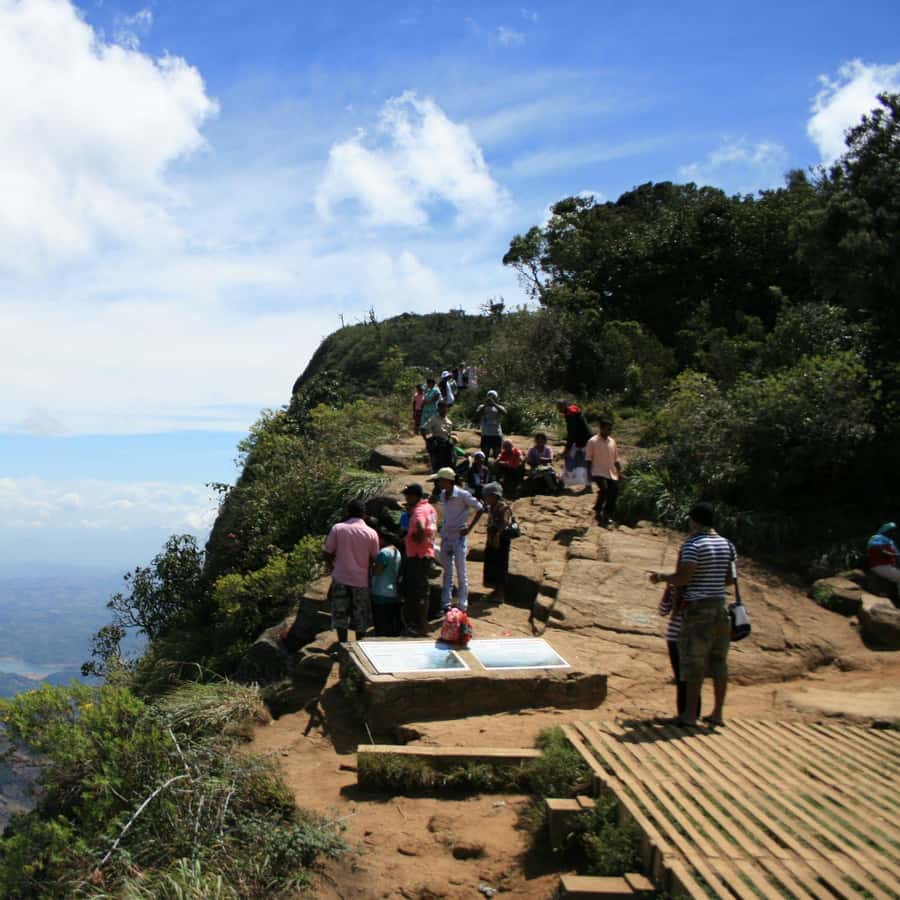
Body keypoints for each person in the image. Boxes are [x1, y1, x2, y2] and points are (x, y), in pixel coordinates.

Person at [649, 502, 735, 727]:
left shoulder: (693, 544)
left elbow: (684, 578)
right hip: (719, 607)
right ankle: (717, 714)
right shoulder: (727, 544)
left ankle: (689, 716)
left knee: (692, 663)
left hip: (697, 610)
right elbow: (730, 578)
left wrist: (662, 577)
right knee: (718, 662)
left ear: (694, 520)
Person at [323, 499, 380, 644]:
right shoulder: (371, 533)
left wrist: (331, 566)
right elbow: (375, 558)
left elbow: (328, 551)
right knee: (360, 615)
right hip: (361, 581)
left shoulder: (338, 528)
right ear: (364, 514)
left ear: (348, 512)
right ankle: (359, 646)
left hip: (341, 577)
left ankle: (343, 644)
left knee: (340, 613)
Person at [430, 467, 484, 613]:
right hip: (446, 537)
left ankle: (462, 604)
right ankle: (445, 604)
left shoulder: (462, 494)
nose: (438, 483)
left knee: (461, 571)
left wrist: (469, 528)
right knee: (448, 571)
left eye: (439, 480)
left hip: (459, 538)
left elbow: (480, 508)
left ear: (447, 481)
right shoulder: (443, 495)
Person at [657, 586, 700, 721]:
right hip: (694, 636)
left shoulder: (677, 589)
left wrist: (668, 590)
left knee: (681, 679)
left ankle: (684, 713)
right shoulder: (700, 590)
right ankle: (693, 712)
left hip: (676, 637)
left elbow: (663, 610)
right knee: (691, 677)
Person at [401, 483, 438, 634]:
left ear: (415, 496)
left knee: (417, 591)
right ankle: (421, 624)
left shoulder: (418, 512)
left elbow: (421, 527)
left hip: (418, 555)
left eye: (408, 495)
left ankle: (421, 625)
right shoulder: (430, 507)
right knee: (422, 590)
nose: (406, 498)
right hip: (426, 552)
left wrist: (416, 538)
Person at [585, 418, 621, 525]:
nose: (609, 431)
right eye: (607, 429)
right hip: (597, 471)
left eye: (610, 429)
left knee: (614, 491)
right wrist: (588, 474)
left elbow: (616, 459)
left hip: (610, 471)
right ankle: (598, 509)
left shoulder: (612, 442)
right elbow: (588, 459)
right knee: (604, 489)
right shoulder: (592, 441)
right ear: (601, 429)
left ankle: (606, 513)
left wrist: (619, 471)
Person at [482, 482, 513, 602]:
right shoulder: (493, 506)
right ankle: (495, 591)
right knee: (492, 564)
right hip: (493, 538)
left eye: (487, 496)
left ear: (494, 496)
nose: (486, 499)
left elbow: (504, 523)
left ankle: (500, 595)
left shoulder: (502, 506)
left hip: (501, 540)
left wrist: (497, 536)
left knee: (500, 566)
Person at [371, 527, 403, 637]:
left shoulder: (383, 553)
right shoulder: (397, 552)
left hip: (380, 591)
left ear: (382, 539)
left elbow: (376, 572)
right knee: (390, 622)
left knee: (380, 623)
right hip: (393, 592)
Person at [556, 400, 593, 489]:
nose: (558, 409)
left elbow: (571, 434)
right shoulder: (572, 411)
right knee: (581, 461)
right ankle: (564, 480)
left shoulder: (571, 415)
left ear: (565, 405)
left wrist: (566, 449)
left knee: (582, 461)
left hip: (584, 441)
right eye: (558, 407)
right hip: (585, 439)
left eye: (560, 406)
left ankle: (587, 485)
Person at [867, 522, 900, 598]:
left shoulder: (890, 541)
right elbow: (879, 551)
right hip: (880, 565)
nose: (894, 532)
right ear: (886, 531)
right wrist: (894, 555)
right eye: (892, 530)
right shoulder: (877, 537)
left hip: (889, 566)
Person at [475, 390, 507, 460]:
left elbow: (504, 413)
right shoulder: (482, 406)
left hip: (497, 433)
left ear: (496, 398)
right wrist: (486, 405)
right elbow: (477, 414)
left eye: (493, 397)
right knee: (484, 455)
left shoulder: (499, 407)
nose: (491, 398)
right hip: (486, 434)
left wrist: (494, 404)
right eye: (489, 396)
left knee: (497, 455)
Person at [425, 401, 453, 472]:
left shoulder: (449, 421)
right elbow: (424, 429)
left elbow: (449, 434)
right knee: (438, 464)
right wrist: (428, 440)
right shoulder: (434, 419)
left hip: (446, 444)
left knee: (449, 462)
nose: (443, 410)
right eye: (441, 408)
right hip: (437, 443)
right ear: (439, 409)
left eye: (445, 408)